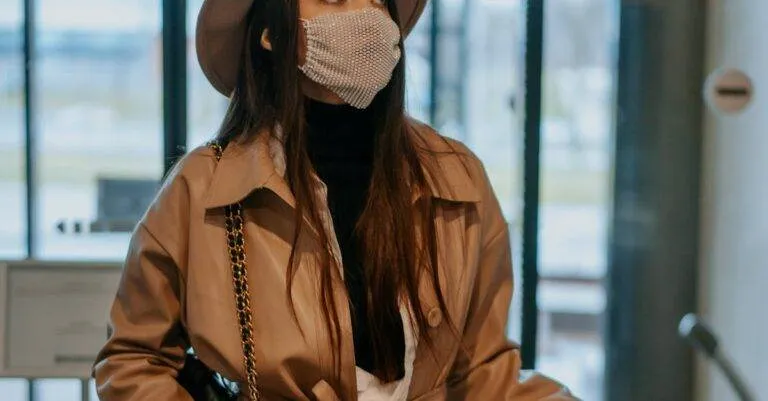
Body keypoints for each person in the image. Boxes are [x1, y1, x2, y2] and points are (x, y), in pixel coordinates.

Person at [93, 0, 575, 400]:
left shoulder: (456, 178)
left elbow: (484, 374)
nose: (365, 14)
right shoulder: (202, 190)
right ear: (270, 33)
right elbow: (134, 361)